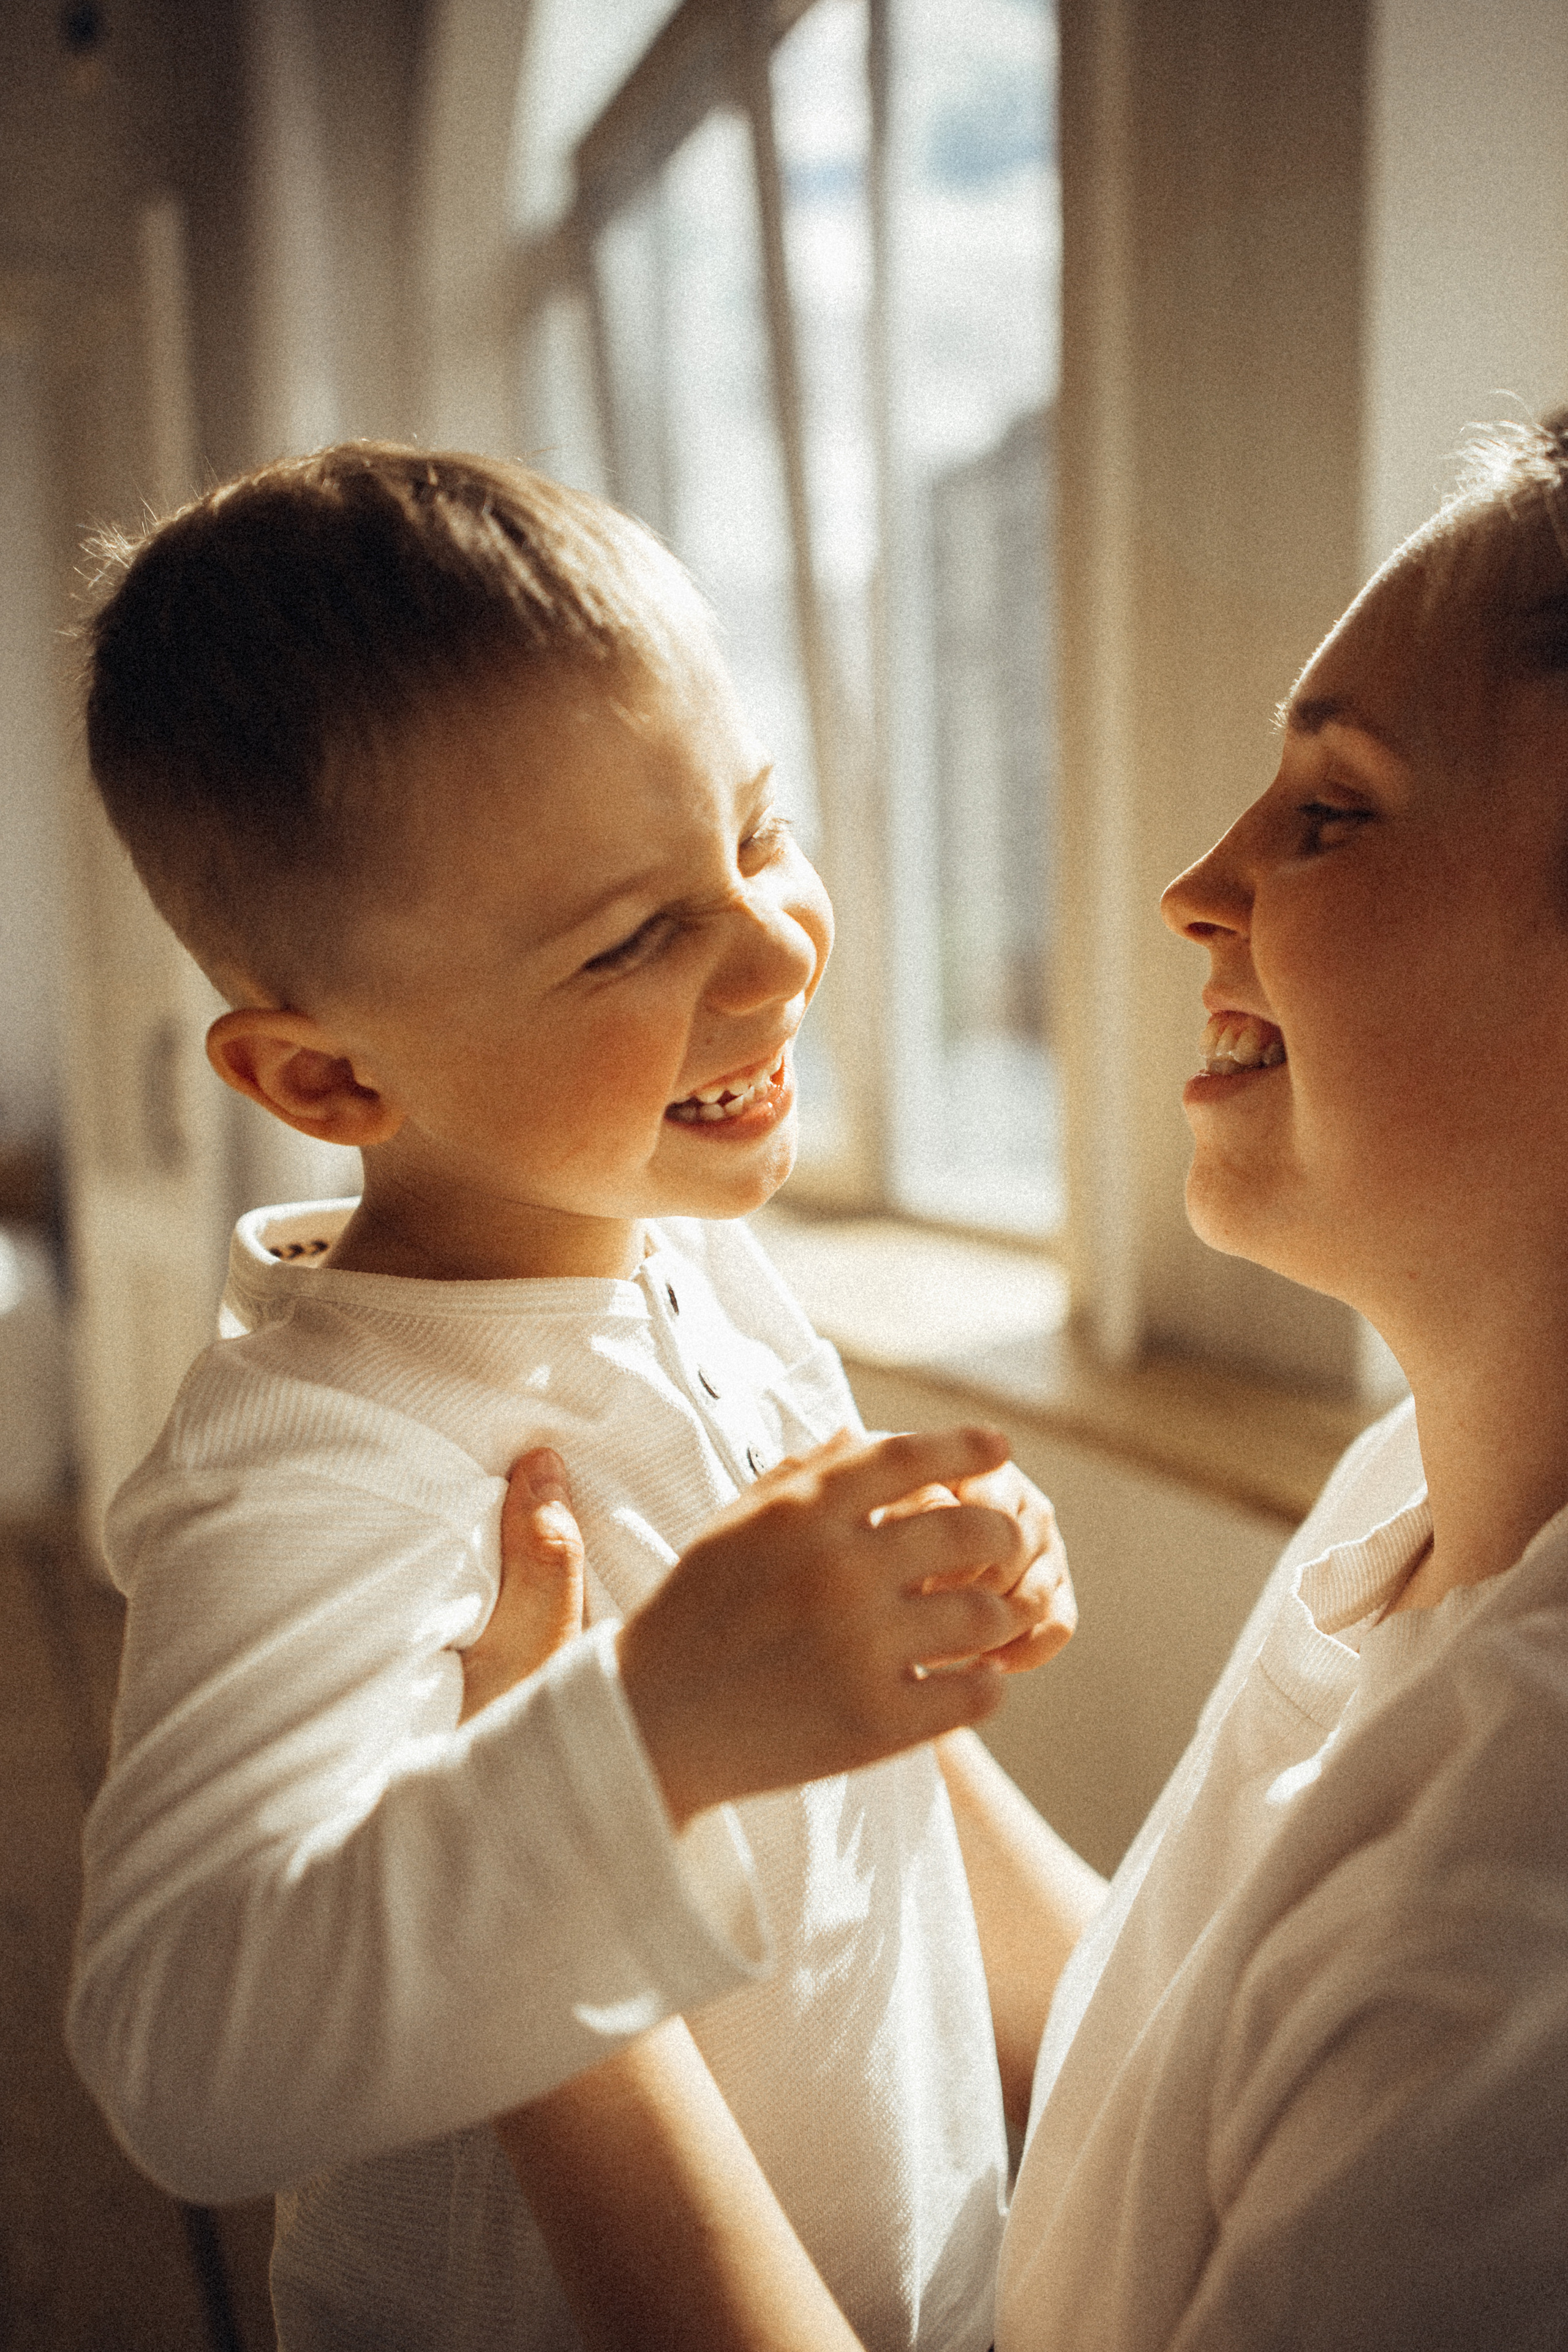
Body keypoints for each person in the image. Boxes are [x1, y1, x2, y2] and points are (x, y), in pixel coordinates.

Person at [471, 416, 1568, 2351]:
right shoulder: (1412, 1495)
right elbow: (1162, 2079)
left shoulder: (1522, 1924)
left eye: (1332, 811)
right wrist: (799, 1532)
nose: (1196, 885)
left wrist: (533, 1949)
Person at [64, 445, 1084, 2352]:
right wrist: (650, 1728)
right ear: (324, 1082)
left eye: (757, 833)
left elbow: (897, 1834)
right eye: (632, 936)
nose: (779, 947)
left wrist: (917, 1611)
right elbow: (180, 2046)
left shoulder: (703, 1268)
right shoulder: (322, 1468)